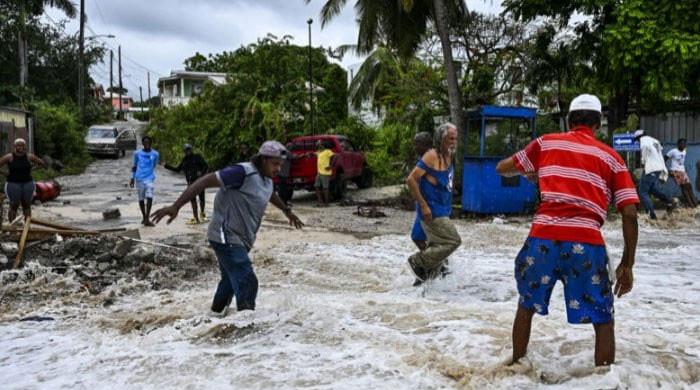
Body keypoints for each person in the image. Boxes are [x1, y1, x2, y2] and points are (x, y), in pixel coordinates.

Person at [496, 94, 638, 367]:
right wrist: (627, 264)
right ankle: (605, 381)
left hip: (542, 240)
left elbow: (502, 168)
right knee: (603, 317)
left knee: (526, 306)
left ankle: (515, 369)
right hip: (586, 244)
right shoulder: (611, 158)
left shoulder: (546, 143)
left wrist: (535, 171)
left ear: (570, 120)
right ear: (598, 123)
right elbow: (629, 212)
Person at [152, 141, 304, 317]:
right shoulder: (241, 172)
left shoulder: (267, 179)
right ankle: (246, 327)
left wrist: (287, 211)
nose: (278, 168)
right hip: (225, 235)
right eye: (275, 164)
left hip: (242, 238)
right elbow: (203, 181)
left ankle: (215, 317)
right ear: (263, 160)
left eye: (280, 164)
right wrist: (176, 206)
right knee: (247, 279)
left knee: (230, 282)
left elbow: (269, 194)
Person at [405, 123, 461, 283]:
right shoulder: (430, 156)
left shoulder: (449, 155)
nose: (454, 142)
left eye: (455, 138)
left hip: (442, 207)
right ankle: (419, 263)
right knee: (452, 241)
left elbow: (446, 180)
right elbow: (411, 180)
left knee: (436, 244)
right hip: (431, 209)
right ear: (441, 139)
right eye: (451, 138)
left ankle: (429, 275)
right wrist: (423, 205)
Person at [0, 138, 45, 222]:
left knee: (27, 205)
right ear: (15, 146)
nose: (20, 147)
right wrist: (4, 173)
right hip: (13, 183)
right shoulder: (9, 157)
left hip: (27, 183)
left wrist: (33, 169)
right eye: (18, 145)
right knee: (14, 205)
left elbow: (42, 163)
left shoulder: (29, 156)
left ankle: (27, 226)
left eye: (22, 145)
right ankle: (12, 226)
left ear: (25, 146)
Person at [634, 129, 674, 219]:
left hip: (651, 168)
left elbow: (644, 152)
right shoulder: (655, 140)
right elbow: (659, 152)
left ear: (639, 137)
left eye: (636, 140)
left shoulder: (643, 140)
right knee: (652, 189)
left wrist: (643, 163)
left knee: (643, 192)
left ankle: (651, 214)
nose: (637, 142)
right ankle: (669, 201)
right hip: (659, 167)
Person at [165, 144, 210, 224]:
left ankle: (202, 213)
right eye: (186, 150)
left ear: (191, 149)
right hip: (190, 183)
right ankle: (196, 218)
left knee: (201, 198)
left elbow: (205, 166)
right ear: (184, 152)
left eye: (189, 149)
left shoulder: (197, 157)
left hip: (199, 181)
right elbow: (177, 169)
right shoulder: (184, 160)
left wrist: (202, 174)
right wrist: (166, 166)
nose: (188, 151)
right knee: (193, 200)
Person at [130, 136, 160, 226]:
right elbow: (134, 166)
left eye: (148, 142)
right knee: (141, 198)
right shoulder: (137, 153)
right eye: (145, 143)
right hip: (139, 178)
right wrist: (132, 178)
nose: (146, 144)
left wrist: (148, 171)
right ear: (143, 144)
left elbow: (154, 165)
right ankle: (144, 217)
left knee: (150, 196)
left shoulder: (155, 154)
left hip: (149, 178)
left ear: (151, 143)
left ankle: (147, 217)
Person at [666, 138, 697, 208]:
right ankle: (691, 204)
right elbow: (664, 158)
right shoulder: (673, 151)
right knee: (684, 187)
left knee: (689, 186)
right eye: (682, 143)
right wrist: (667, 170)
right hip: (676, 171)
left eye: (684, 144)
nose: (683, 145)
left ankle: (694, 203)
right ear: (678, 144)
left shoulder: (684, 151)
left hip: (682, 171)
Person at [314, 140, 335, 207]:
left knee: (325, 188)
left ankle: (327, 203)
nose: (318, 145)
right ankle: (320, 201)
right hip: (319, 172)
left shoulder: (328, 151)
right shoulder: (319, 152)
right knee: (316, 186)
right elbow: (313, 153)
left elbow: (334, 157)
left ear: (322, 145)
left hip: (325, 173)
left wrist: (330, 166)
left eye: (319, 144)